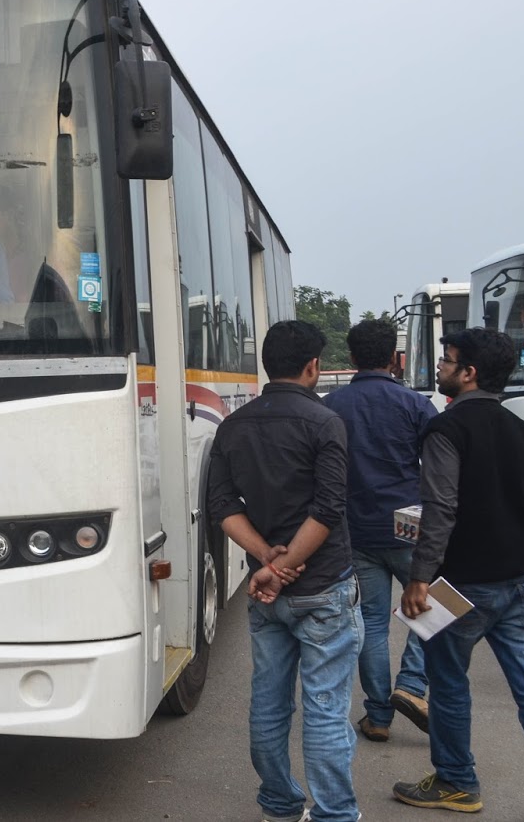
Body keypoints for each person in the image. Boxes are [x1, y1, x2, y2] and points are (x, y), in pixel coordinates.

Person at [207, 319, 361, 822]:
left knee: (269, 705)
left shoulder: (232, 426)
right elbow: (328, 509)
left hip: (267, 594)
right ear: (313, 367)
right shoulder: (324, 422)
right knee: (325, 710)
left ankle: (278, 802)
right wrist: (285, 564)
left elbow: (223, 504)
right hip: (324, 587)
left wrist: (266, 560)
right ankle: (334, 813)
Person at [392, 327, 524, 815]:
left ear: (469, 373)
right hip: (522, 579)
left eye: (448, 359)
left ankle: (457, 783)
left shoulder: (446, 429)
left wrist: (419, 578)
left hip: (459, 585)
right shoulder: (523, 430)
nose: (440, 366)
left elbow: (440, 508)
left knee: (449, 684)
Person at [323, 317, 437, 742]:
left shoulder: (331, 405)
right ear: (394, 357)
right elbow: (438, 468)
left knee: (371, 621)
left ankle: (378, 717)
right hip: (408, 522)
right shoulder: (415, 404)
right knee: (435, 607)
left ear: (352, 357)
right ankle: (411, 684)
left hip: (356, 526)